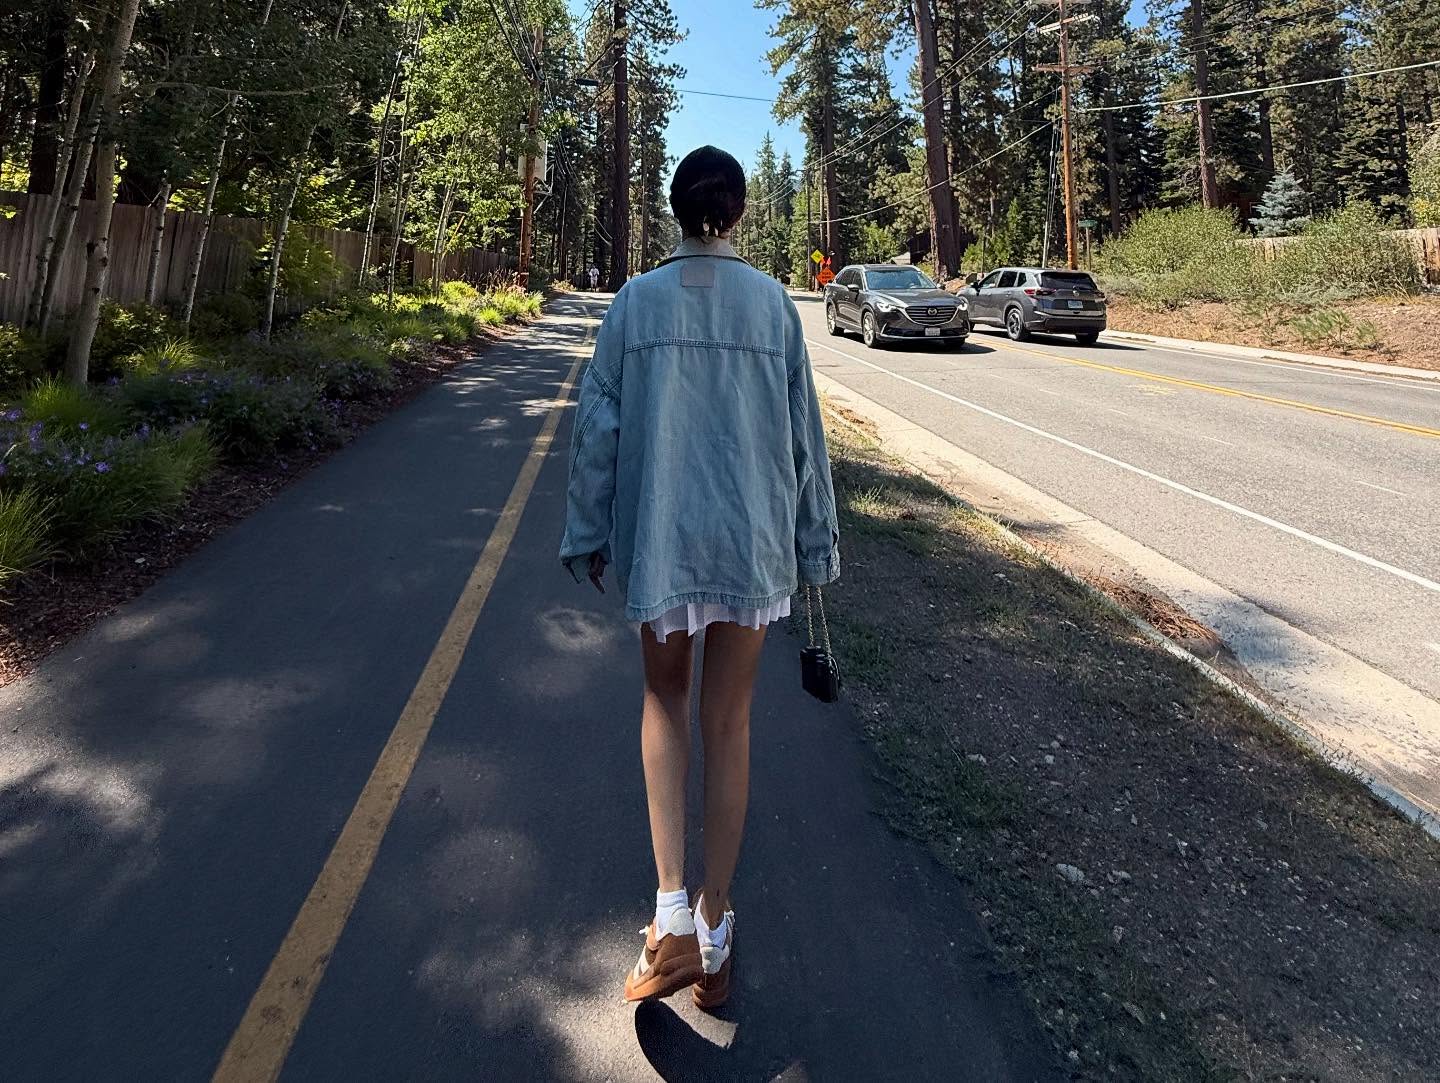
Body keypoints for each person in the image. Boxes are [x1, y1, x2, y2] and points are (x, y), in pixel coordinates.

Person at [560, 145, 840, 1009]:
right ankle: (715, 930)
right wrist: (815, 546)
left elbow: (598, 426)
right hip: (751, 545)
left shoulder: (634, 303)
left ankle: (669, 913)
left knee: (664, 702)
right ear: (739, 212)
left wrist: (588, 531)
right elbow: (805, 436)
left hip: (663, 540)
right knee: (730, 720)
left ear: (675, 210)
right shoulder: (774, 307)